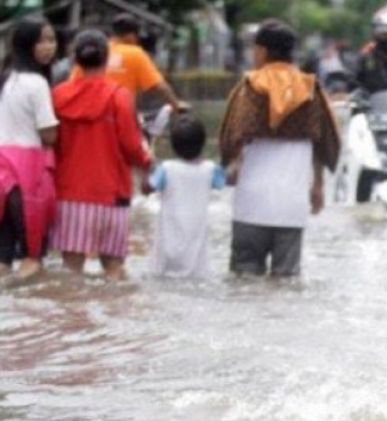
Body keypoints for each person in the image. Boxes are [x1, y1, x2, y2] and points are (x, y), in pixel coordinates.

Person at [218, 19, 340, 277]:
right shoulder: (310, 91)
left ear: (262, 51)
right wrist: (317, 185)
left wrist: (230, 165)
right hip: (291, 206)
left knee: (244, 282)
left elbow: (232, 138)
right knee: (286, 285)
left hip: (251, 203)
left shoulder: (250, 88)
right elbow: (323, 142)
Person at [50, 29, 152, 281]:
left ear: (75, 59)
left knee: (71, 273)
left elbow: (50, 143)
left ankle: (72, 317)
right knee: (114, 270)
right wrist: (148, 165)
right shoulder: (119, 97)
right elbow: (131, 147)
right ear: (106, 59)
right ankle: (111, 319)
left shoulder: (57, 96)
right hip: (112, 195)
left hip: (70, 195)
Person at [0, 18, 58, 279]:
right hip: (28, 174)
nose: (48, 47)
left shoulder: (5, 79)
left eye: (52, 40)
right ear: (26, 45)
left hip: (2, 170)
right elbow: (48, 134)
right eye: (41, 41)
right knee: (32, 257)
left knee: (3, 260)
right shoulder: (37, 83)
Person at [147, 115, 225, 278]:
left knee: (164, 277)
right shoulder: (210, 169)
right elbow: (226, 181)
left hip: (169, 241)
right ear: (202, 143)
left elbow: (148, 188)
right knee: (197, 275)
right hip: (196, 246)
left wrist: (147, 164)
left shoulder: (166, 169)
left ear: (174, 145)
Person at [86, 13, 186, 111]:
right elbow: (159, 86)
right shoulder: (136, 54)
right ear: (130, 35)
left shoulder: (95, 51)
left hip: (91, 115)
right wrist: (176, 105)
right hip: (121, 115)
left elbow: (74, 82)